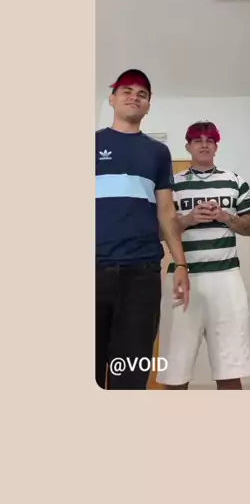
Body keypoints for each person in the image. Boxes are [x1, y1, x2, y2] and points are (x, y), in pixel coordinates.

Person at [95, 69, 190, 389]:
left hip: (141, 274)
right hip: (93, 270)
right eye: (127, 90)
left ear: (148, 105)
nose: (134, 97)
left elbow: (166, 211)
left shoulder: (158, 153)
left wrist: (181, 264)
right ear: (112, 99)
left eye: (142, 94)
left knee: (132, 372)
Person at [158, 120, 250, 390]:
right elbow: (157, 232)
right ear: (188, 146)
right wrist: (187, 219)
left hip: (226, 278)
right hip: (183, 279)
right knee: (175, 368)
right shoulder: (172, 185)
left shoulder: (234, 181)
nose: (204, 144)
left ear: (216, 146)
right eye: (197, 140)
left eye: (210, 140)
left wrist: (226, 217)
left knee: (231, 367)